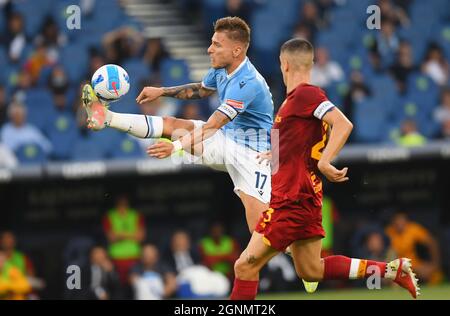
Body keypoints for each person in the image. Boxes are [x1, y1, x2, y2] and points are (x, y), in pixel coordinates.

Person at [229, 38, 420, 300]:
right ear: (311, 63)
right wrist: (277, 152)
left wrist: (325, 161)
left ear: (284, 64)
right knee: (310, 270)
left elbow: (343, 124)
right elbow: (303, 141)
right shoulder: (293, 102)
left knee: (244, 265)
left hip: (291, 201)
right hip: (306, 199)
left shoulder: (307, 94)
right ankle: (390, 271)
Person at [82, 17, 272, 236]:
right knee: (171, 124)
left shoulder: (246, 83)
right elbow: (201, 90)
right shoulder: (222, 69)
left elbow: (211, 126)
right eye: (211, 42)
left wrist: (175, 147)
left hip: (254, 155)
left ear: (237, 50)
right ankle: (106, 117)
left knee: (263, 234)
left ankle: (309, 259)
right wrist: (161, 91)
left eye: (217, 45)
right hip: (228, 139)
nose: (209, 49)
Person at [385, 212, 444, 285]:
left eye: (402, 222)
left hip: (413, 264)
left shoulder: (413, 229)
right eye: (397, 223)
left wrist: (435, 263)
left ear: (407, 222)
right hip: (396, 266)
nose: (400, 225)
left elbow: (432, 243)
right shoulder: (388, 232)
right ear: (393, 223)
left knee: (435, 274)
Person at [103, 194, 146, 285]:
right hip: (116, 258)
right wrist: (131, 235)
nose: (123, 205)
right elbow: (111, 237)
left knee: (135, 285)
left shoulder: (136, 215)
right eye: (120, 203)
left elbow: (140, 237)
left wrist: (121, 234)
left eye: (124, 203)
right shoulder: (110, 215)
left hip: (134, 257)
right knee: (118, 286)